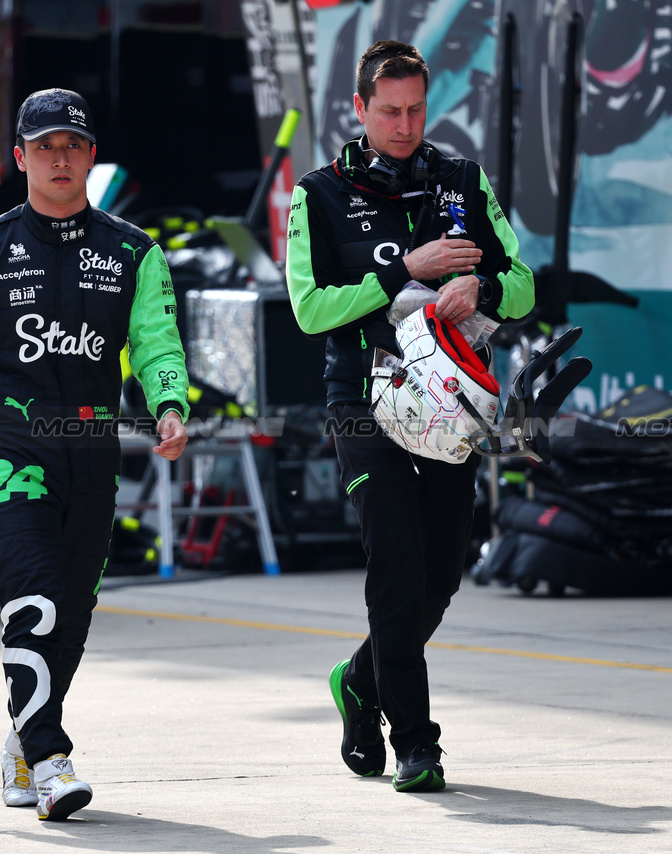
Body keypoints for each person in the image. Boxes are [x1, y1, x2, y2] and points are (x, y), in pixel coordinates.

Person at [0, 88, 190, 821]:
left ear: (92, 155)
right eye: (44, 147)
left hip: (95, 451)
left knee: (72, 613)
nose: (59, 158)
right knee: (30, 599)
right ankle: (52, 753)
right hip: (11, 447)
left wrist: (168, 406)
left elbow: (158, 343)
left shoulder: (136, 251)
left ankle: (22, 744)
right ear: (20, 159)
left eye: (72, 145)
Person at [285, 40, 534, 792]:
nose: (403, 123)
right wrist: (406, 271)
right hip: (363, 398)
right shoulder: (318, 193)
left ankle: (361, 681)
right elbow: (309, 309)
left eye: (416, 109)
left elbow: (523, 283)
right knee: (394, 565)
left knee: (442, 573)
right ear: (359, 109)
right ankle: (416, 743)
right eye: (388, 110)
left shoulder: (462, 180)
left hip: (450, 404)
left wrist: (480, 290)